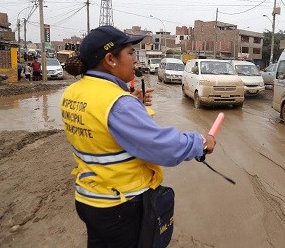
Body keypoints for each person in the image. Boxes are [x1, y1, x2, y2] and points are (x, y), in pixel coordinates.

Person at [60, 25, 216, 247]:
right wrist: (201, 142)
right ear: (110, 60)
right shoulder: (119, 104)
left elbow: (100, 131)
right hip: (121, 206)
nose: (135, 60)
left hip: (89, 199)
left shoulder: (74, 92)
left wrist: (133, 105)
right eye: (130, 53)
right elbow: (163, 147)